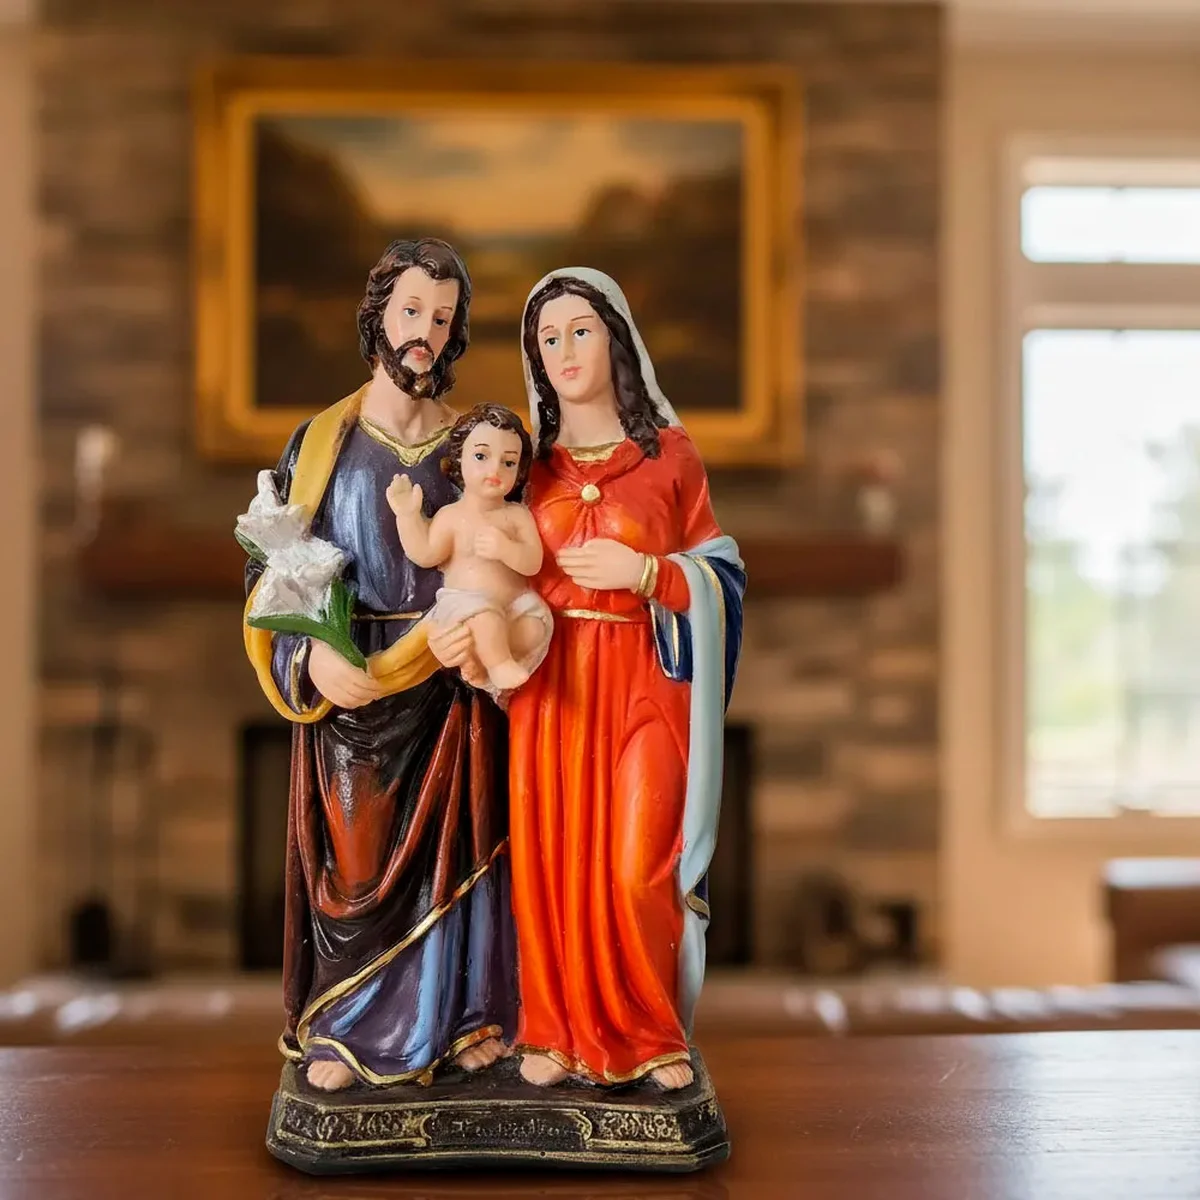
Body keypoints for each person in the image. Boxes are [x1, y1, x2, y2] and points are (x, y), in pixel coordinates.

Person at [433, 268, 744, 1091]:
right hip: (553, 685)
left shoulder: (670, 457)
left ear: (617, 339)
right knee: (553, 858)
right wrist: (470, 636)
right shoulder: (525, 468)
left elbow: (721, 575)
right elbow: (481, 566)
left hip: (644, 682)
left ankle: (651, 1035)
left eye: (581, 330)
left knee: (640, 860)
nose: (565, 350)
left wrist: (647, 573)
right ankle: (556, 1030)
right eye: (548, 337)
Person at [242, 238, 515, 1093]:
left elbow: (510, 554)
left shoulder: (474, 446)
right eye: (410, 312)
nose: (424, 332)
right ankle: (348, 1028)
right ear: (378, 319)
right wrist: (312, 651)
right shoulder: (324, 441)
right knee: (356, 867)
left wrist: (488, 631)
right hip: (356, 684)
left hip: (452, 685)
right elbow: (271, 568)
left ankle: (463, 1020)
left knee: (461, 857)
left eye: (442, 317)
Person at [386, 404, 552, 694]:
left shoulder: (517, 516)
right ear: (458, 458)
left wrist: (506, 549)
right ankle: (498, 665)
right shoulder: (451, 517)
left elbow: (532, 563)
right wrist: (408, 516)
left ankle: (481, 660)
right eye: (481, 456)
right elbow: (425, 554)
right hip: (466, 605)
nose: (494, 470)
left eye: (508, 462)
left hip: (514, 607)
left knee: (535, 629)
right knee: (484, 619)